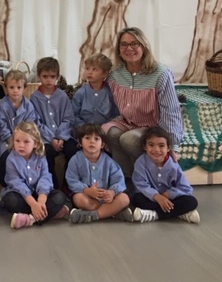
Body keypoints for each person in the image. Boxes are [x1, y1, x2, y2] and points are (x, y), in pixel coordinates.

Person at [103, 27, 184, 178]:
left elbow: (170, 111)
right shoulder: (115, 73)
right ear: (119, 49)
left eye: (134, 44)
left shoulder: (160, 74)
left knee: (128, 139)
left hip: (153, 125)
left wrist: (172, 144)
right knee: (110, 132)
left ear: (144, 46)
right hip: (127, 122)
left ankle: (149, 177)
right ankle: (124, 179)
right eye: (124, 44)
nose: (129, 48)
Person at [0, 122, 68, 229]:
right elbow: (17, 184)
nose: (21, 145)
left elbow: (45, 177)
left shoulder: (41, 157)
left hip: (38, 194)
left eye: (26, 142)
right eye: (17, 141)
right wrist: (33, 204)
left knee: (59, 196)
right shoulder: (11, 159)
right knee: (10, 200)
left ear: (35, 144)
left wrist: (41, 201)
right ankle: (49, 213)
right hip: (23, 196)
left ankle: (30, 219)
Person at [65, 124, 133, 224]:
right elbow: (72, 180)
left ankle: (94, 215)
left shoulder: (109, 162)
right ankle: (112, 212)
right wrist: (86, 190)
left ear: (102, 144)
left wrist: (112, 192)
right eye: (87, 138)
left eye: (96, 139)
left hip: (107, 199)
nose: (92, 141)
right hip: (87, 197)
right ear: (80, 142)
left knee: (124, 198)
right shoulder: (75, 160)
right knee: (78, 198)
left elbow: (119, 180)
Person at [132, 127, 199, 224]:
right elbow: (140, 185)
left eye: (161, 145)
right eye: (151, 145)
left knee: (191, 201)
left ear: (168, 148)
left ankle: (154, 215)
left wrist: (168, 194)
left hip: (169, 198)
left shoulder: (174, 165)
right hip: (150, 198)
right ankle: (179, 213)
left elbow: (186, 188)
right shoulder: (141, 163)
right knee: (137, 199)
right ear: (145, 147)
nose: (156, 150)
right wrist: (157, 196)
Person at [29, 57, 79, 188]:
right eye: (45, 76)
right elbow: (36, 122)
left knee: (74, 150)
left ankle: (68, 186)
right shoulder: (34, 98)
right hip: (45, 139)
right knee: (46, 153)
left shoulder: (62, 96)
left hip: (65, 136)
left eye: (52, 76)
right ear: (38, 76)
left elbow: (68, 119)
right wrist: (51, 139)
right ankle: (53, 187)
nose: (49, 80)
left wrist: (61, 138)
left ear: (57, 76)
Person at [0, 70, 39, 188]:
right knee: (6, 157)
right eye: (11, 87)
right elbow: (1, 127)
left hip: (25, 140)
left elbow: (30, 127)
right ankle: (5, 186)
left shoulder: (29, 106)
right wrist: (12, 142)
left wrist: (21, 141)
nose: (15, 90)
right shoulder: (2, 106)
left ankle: (29, 185)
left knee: (32, 156)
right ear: (6, 88)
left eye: (19, 87)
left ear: (24, 88)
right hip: (6, 141)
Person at [72, 53, 119, 128]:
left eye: (94, 69)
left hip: (104, 129)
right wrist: (84, 127)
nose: (89, 72)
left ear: (105, 74)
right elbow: (74, 115)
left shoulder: (110, 92)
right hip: (84, 130)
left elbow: (115, 114)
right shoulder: (80, 93)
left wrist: (105, 127)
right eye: (87, 68)